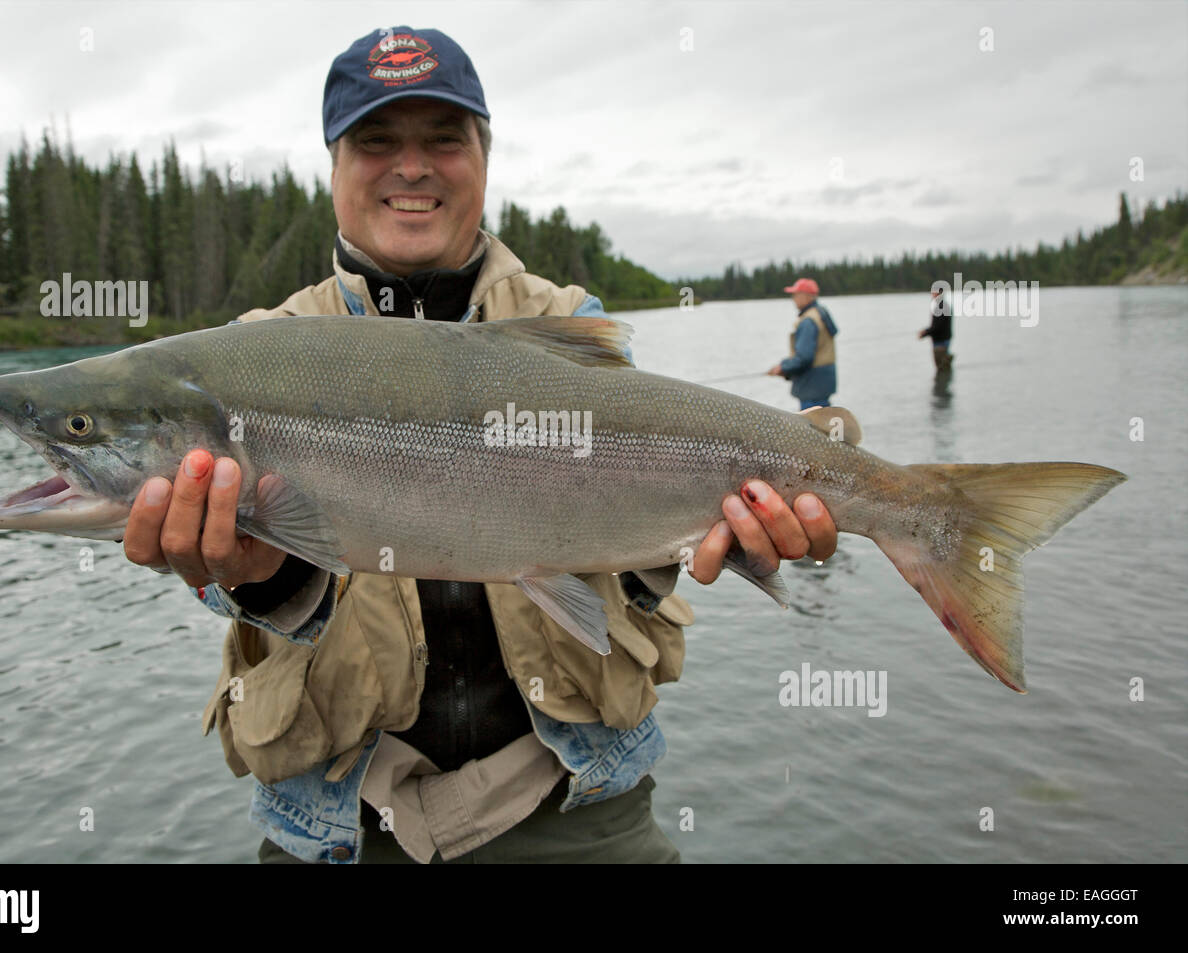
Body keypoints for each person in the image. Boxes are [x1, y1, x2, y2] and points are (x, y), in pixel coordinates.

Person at [122, 25, 839, 864]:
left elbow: (642, 567)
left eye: (443, 140)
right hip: (338, 828)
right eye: (377, 141)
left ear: (484, 158)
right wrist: (261, 572)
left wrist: (716, 540)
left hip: (581, 804)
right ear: (334, 168)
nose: (412, 166)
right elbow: (229, 599)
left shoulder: (570, 320)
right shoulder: (253, 352)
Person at [767, 277, 839, 409]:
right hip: (823, 384)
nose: (793, 298)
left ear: (806, 296)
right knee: (823, 422)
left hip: (812, 386)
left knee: (811, 425)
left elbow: (804, 358)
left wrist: (783, 367)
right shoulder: (821, 313)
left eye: (795, 294)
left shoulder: (808, 322)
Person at [918, 287, 953, 371]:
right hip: (943, 339)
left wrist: (925, 333)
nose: (932, 295)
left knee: (941, 368)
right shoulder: (943, 305)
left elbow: (937, 327)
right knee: (944, 366)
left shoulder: (940, 307)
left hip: (940, 342)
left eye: (933, 293)